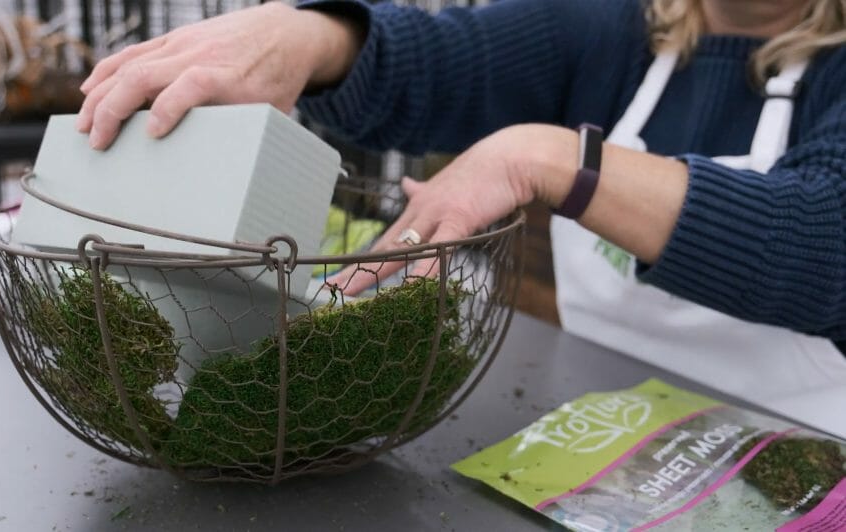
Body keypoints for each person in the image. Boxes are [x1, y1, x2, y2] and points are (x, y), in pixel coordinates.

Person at [75, 0, 846, 437]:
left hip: (805, 453)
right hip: (600, 429)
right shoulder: (617, 29)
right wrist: (311, 35)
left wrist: (551, 161)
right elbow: (437, 59)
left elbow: (822, 245)